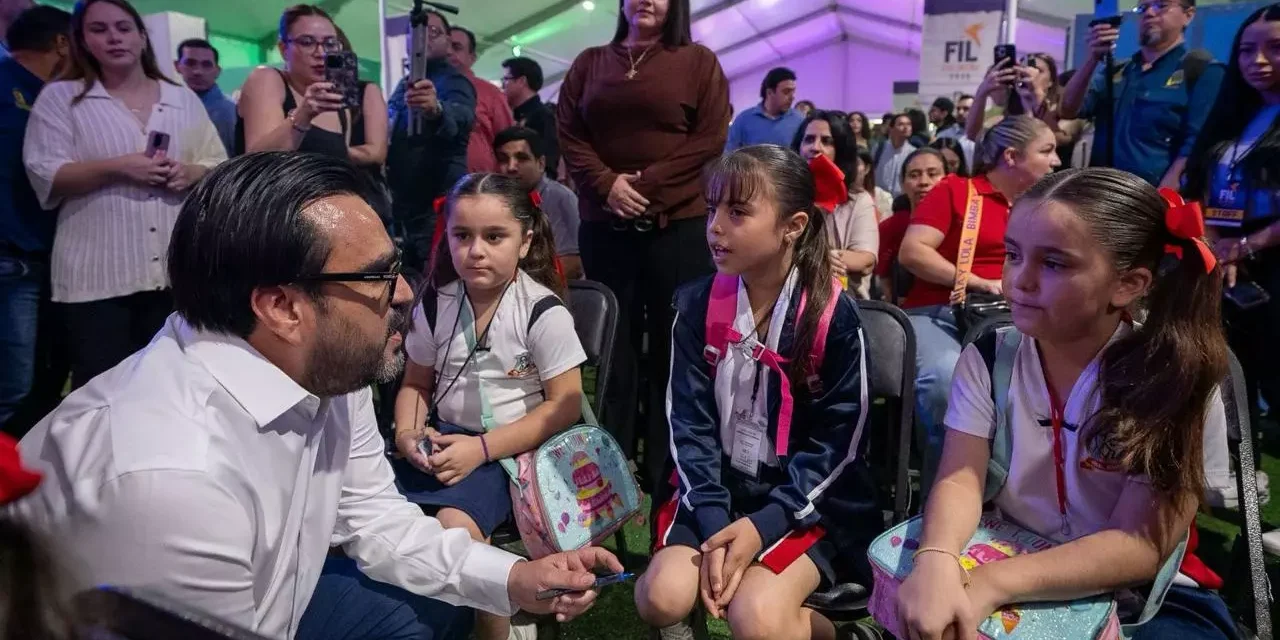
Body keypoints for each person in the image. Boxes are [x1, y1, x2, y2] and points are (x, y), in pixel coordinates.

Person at [9, 151, 622, 640]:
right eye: (379, 275)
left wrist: (515, 576)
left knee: (439, 602)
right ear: (282, 306)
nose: (404, 293)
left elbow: (373, 517)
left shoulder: (324, 365)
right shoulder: (170, 482)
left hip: (278, 600)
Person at [895, 168, 1237, 640]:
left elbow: (1138, 545)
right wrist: (937, 558)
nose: (1019, 280)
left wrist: (990, 584)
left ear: (1128, 284)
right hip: (1005, 551)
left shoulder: (1173, 375)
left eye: (1054, 263)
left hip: (1145, 595)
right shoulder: (989, 356)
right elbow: (960, 478)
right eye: (1013, 254)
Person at [634, 145, 880, 640]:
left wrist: (764, 524)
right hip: (715, 486)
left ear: (793, 226)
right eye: (712, 209)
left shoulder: (831, 318)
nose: (714, 227)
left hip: (803, 500)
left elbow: (838, 445)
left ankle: (840, 635)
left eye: (738, 212)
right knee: (660, 596)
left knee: (756, 618)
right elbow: (688, 423)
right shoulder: (697, 304)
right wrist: (712, 519)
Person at [393, 172, 588, 640]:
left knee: (454, 528)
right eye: (462, 236)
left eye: (494, 236)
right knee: (378, 509)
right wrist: (408, 435)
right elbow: (416, 384)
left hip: (514, 456)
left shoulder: (542, 311)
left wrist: (480, 449)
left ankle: (495, 627)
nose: (475, 250)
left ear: (525, 241)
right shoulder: (436, 303)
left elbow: (564, 406)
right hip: (447, 444)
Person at [557, 0, 730, 490]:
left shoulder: (698, 61)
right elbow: (569, 134)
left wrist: (644, 185)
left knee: (674, 349)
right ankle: (609, 465)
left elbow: (708, 140)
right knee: (615, 351)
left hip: (678, 229)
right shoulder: (590, 62)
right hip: (605, 227)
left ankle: (666, 468)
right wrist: (607, 184)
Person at [22, 0, 226, 389]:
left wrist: (190, 172)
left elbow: (218, 163)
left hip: (173, 272)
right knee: (104, 391)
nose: (113, 37)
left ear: (142, 37)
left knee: (173, 386)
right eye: (99, 30)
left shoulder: (180, 97)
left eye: (123, 27)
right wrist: (117, 167)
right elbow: (46, 173)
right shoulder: (62, 98)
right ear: (82, 40)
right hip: (96, 276)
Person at [898, 116, 1059, 489]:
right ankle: (946, 494)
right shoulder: (956, 190)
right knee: (945, 378)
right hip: (939, 312)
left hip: (1011, 318)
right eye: (1047, 150)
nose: (1056, 161)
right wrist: (977, 282)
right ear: (1012, 156)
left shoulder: (1045, 206)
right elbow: (913, 251)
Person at [1183, 4, 1280, 519]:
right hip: (1226, 273)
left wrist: (1248, 245)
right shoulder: (1236, 115)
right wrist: (1218, 243)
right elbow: (1202, 186)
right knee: (1233, 386)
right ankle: (1247, 503)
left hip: (1270, 270)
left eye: (1274, 49)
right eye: (1246, 50)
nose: (1256, 61)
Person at [1060, 0, 1223, 189]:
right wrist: (1092, 59)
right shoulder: (1118, 71)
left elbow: (1196, 142)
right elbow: (1068, 110)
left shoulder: (1201, 70)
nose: (1149, 13)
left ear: (1188, 15)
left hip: (1153, 195)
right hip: (1103, 193)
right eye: (1143, 8)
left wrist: (1165, 196)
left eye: (1161, 6)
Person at [0, 5, 70, 437]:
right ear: (64, 43)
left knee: (41, 383)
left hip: (50, 259)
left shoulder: (55, 97)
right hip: (11, 258)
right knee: (11, 387)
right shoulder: (9, 84)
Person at [237, 5, 387, 169]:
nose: (321, 53)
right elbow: (258, 162)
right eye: (307, 43)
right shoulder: (267, 79)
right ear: (284, 49)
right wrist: (303, 115)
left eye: (330, 44)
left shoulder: (337, 103)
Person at [387, 6, 475, 274]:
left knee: (439, 279)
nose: (422, 38)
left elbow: (461, 117)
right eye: (414, 32)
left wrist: (435, 109)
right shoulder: (405, 83)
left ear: (448, 41)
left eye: (433, 32)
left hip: (437, 205)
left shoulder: (455, 81)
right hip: (405, 206)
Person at [792, 110, 878, 297]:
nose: (815, 147)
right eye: (809, 139)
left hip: (846, 297)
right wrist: (815, 258)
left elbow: (865, 259)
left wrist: (821, 259)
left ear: (841, 149)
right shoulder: (784, 194)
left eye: (827, 141)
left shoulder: (859, 200)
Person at [494, 126, 583, 279]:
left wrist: (525, 290)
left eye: (521, 158)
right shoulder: (494, 200)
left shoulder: (559, 198)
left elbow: (572, 264)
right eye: (503, 159)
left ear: (541, 164)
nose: (511, 167)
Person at [876, 148, 951, 304]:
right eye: (914, 175)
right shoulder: (890, 227)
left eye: (932, 174)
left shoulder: (965, 224)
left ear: (949, 179)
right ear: (902, 184)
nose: (923, 182)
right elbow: (885, 282)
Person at [448, 26, 514, 174]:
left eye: (456, 47)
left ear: (472, 57)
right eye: (446, 47)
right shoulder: (426, 89)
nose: (449, 52)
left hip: (481, 182)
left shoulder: (491, 94)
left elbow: (508, 142)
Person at [502, 56, 559, 181]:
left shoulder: (542, 116)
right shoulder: (511, 114)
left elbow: (549, 162)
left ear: (522, 81)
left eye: (506, 79)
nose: (502, 85)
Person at [175, 38, 236, 157]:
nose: (198, 71)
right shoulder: (169, 107)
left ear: (217, 71)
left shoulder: (229, 112)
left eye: (206, 65)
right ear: (177, 66)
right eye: (190, 63)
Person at [725, 67, 803, 151]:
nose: (792, 97)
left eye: (793, 92)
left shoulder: (799, 120)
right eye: (786, 92)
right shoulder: (743, 120)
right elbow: (729, 153)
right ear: (769, 92)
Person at [873, 113, 916, 196]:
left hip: (901, 198)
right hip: (880, 197)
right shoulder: (879, 148)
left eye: (908, 124)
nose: (906, 127)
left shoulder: (913, 153)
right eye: (901, 124)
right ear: (891, 128)